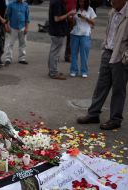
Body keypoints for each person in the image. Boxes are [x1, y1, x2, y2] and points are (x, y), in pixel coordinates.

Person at [77, 0, 128, 130]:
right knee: (101, 85)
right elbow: (109, 32)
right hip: (108, 51)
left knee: (118, 89)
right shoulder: (112, 12)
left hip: (120, 56)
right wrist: (105, 46)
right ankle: (93, 114)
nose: (111, 2)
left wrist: (125, 55)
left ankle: (115, 119)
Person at [48, 0, 76, 80]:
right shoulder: (57, 2)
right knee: (55, 53)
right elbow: (57, 18)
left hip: (56, 30)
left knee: (53, 51)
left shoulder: (55, 1)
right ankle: (53, 72)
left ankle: (52, 70)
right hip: (58, 30)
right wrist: (68, 14)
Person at [70, 0, 96, 78]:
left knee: (84, 54)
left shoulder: (90, 9)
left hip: (85, 34)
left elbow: (93, 22)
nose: (81, 3)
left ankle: (84, 71)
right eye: (80, 2)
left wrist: (84, 17)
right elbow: (73, 23)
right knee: (74, 53)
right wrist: (72, 18)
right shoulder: (75, 9)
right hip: (75, 33)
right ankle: (73, 70)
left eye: (83, 2)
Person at [4, 0, 30, 65]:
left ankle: (22, 59)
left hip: (22, 26)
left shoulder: (25, 5)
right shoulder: (11, 4)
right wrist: (6, 26)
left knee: (23, 43)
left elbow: (27, 17)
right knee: (10, 44)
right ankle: (8, 58)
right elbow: (7, 16)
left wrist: (27, 27)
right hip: (13, 26)